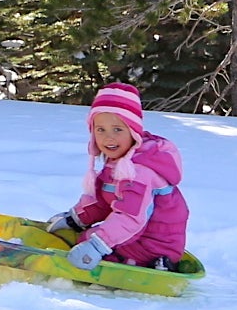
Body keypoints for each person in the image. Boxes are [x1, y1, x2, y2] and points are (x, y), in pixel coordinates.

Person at [44, 82, 189, 272]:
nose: (108, 138)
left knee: (91, 241)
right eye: (100, 130)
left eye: (117, 129)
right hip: (139, 235)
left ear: (133, 132)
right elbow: (104, 201)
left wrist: (97, 246)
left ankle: (153, 266)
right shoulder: (118, 163)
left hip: (156, 244)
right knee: (87, 237)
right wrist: (75, 219)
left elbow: (130, 217)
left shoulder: (139, 172)